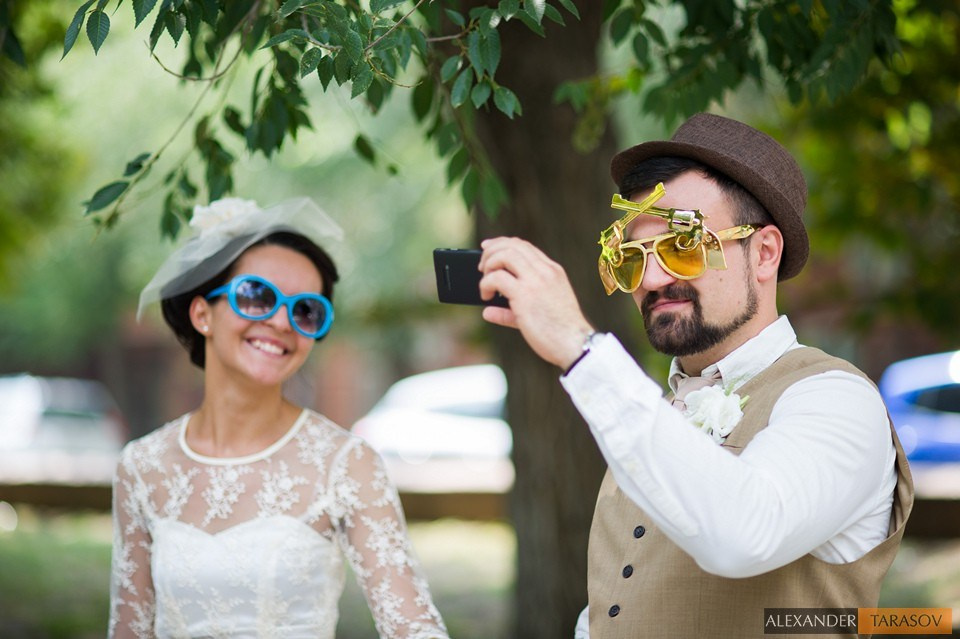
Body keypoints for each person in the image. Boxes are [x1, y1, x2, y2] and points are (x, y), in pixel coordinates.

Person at [476, 113, 913, 638]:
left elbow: (743, 535)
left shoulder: (837, 400)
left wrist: (580, 348)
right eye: (633, 258)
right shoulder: (649, 412)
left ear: (764, 253)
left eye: (682, 247)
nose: (654, 278)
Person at [109, 197, 450, 639]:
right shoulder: (142, 467)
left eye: (306, 310)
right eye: (257, 296)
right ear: (201, 313)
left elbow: (414, 629)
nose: (282, 321)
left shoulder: (347, 463)